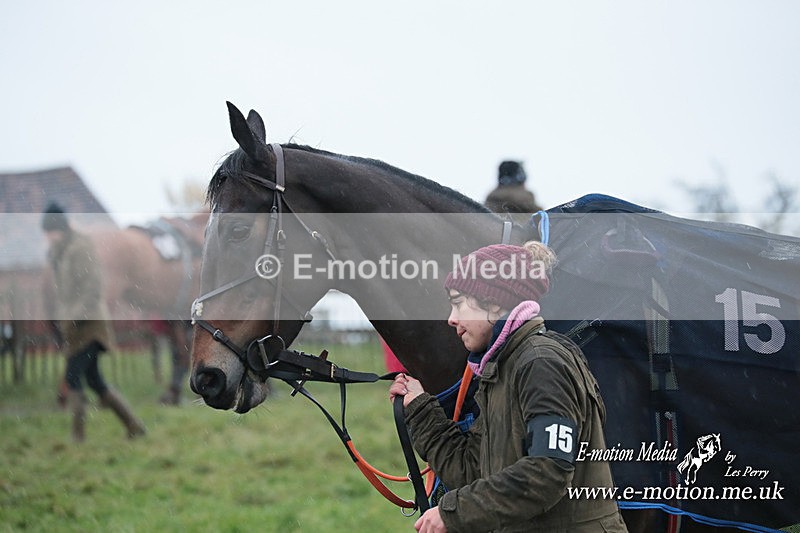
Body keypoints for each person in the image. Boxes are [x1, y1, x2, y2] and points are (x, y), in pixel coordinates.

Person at [389, 241, 627, 532]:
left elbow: (548, 471)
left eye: (458, 302)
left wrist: (454, 513)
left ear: (493, 302)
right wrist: (420, 409)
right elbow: (471, 470)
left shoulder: (541, 362)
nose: (451, 319)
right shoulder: (501, 368)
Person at [42, 203, 146, 442]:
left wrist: (74, 317)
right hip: (75, 326)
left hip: (89, 325)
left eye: (50, 232)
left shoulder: (81, 247)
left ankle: (78, 436)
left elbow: (91, 288)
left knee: (73, 377)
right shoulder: (61, 252)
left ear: (60, 228)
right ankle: (133, 425)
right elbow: (64, 291)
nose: (48, 237)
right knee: (95, 381)